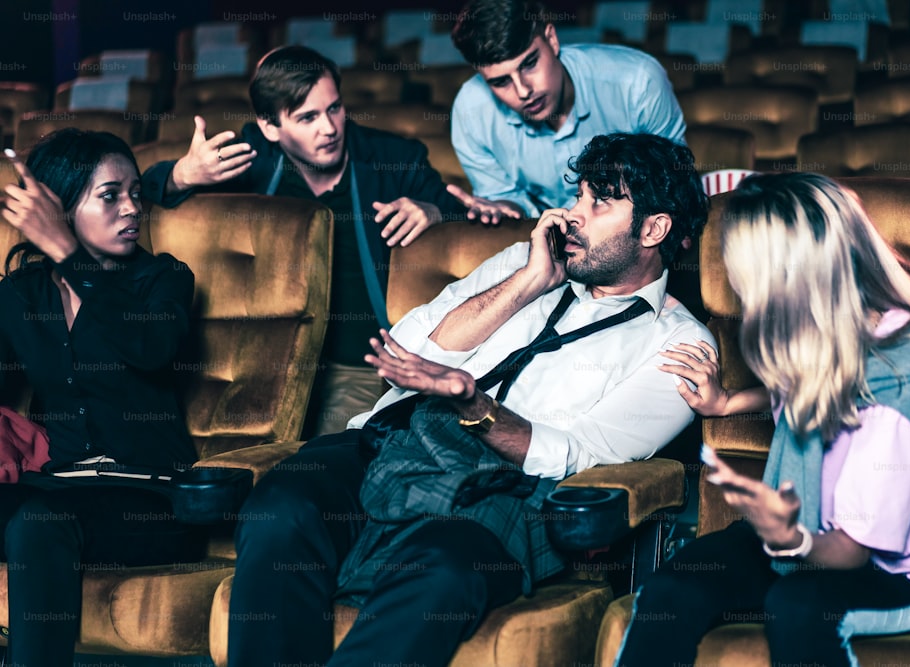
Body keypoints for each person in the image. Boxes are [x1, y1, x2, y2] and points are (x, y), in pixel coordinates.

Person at [224, 133, 711, 667]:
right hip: (390, 438)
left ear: (654, 228)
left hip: (498, 486)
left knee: (441, 570)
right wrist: (527, 283)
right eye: (578, 198)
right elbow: (402, 352)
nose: (573, 216)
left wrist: (474, 404)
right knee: (280, 508)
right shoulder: (520, 264)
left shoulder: (679, 343)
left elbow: (577, 452)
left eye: (600, 204)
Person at [615, 172, 910, 667]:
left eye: (748, 277)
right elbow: (807, 383)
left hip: (892, 574)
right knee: (672, 588)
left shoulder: (901, 390)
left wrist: (791, 539)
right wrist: (727, 402)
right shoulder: (828, 326)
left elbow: (852, 551)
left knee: (797, 605)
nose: (737, 288)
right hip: (806, 530)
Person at [142, 45, 517, 437]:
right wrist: (182, 176)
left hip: (362, 365)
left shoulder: (393, 158)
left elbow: (462, 215)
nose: (329, 128)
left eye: (334, 108)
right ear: (271, 127)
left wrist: (435, 213)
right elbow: (145, 192)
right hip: (272, 362)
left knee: (329, 457)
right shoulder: (251, 159)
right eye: (307, 118)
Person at [0, 129, 206, 665]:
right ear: (60, 207)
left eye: (135, 192)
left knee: (39, 523)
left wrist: (69, 254)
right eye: (110, 195)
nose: (133, 208)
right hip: (58, 485)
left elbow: (152, 348)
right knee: (38, 514)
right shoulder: (23, 294)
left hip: (151, 499)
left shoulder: (164, 279)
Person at [449, 0, 687, 218]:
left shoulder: (638, 83)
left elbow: (673, 185)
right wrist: (508, 210)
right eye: (501, 82)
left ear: (552, 40)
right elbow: (505, 199)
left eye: (530, 64)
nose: (523, 91)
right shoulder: (471, 112)